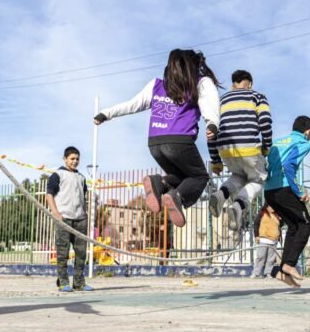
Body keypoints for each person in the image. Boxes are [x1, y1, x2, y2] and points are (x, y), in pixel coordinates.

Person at [94, 49, 220, 227]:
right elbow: (210, 104)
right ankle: (177, 196)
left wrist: (106, 113)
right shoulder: (200, 82)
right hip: (180, 141)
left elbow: (132, 104)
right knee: (199, 176)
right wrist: (212, 124)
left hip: (155, 144)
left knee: (180, 176)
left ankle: (159, 182)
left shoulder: (157, 85)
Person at [207, 70, 272, 235]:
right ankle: (238, 205)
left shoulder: (221, 101)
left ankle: (221, 194)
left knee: (238, 176)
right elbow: (265, 122)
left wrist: (215, 161)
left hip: (226, 151)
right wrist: (267, 146)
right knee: (258, 179)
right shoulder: (257, 96)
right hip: (249, 148)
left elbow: (211, 131)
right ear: (250, 84)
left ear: (232, 85)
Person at [265, 116, 310, 288]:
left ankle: (283, 272)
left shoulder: (278, 142)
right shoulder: (303, 143)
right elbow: (289, 165)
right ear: (308, 131)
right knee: (306, 223)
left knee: (294, 226)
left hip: (269, 191)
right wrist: (299, 191)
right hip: (284, 189)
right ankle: (290, 264)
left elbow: (267, 165)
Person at [46, 146, 93, 292]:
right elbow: (49, 195)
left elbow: (83, 198)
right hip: (64, 218)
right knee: (63, 252)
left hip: (80, 220)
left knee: (81, 253)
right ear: (65, 159)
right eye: (72, 158)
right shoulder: (57, 175)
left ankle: (79, 283)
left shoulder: (81, 178)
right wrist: (55, 213)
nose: (75, 161)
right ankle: (63, 282)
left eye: (77, 159)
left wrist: (85, 213)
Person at [251, 204, 281, 278]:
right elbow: (256, 224)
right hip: (263, 239)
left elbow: (280, 225)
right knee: (260, 257)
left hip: (273, 240)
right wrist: (256, 235)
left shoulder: (277, 215)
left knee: (271, 259)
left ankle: (268, 273)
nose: (273, 208)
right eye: (271, 206)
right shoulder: (262, 213)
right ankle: (256, 273)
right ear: (267, 207)